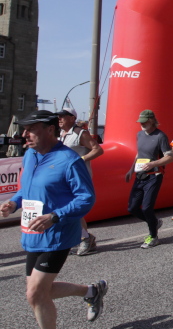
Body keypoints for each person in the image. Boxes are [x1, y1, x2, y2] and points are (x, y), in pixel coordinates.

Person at [0, 110, 107, 328]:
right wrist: (14, 203)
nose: (25, 134)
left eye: (31, 129)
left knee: (35, 293)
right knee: (39, 291)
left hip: (57, 234)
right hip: (33, 233)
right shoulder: (30, 155)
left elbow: (86, 198)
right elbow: (26, 189)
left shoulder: (69, 160)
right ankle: (92, 291)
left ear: (50, 130)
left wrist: (55, 216)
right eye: (24, 130)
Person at [57, 107, 104, 256]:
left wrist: (80, 160)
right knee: (68, 208)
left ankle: (85, 238)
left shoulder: (80, 133)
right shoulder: (60, 134)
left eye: (63, 116)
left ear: (72, 118)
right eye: (59, 116)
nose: (59, 119)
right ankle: (84, 238)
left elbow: (98, 149)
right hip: (64, 177)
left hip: (78, 177)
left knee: (72, 208)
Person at [125, 110, 173, 248]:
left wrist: (153, 164)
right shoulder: (139, 135)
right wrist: (131, 169)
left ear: (152, 120)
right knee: (132, 208)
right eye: (140, 121)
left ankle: (153, 237)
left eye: (144, 121)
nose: (141, 124)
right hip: (140, 175)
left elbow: (170, 157)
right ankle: (154, 222)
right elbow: (139, 154)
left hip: (154, 175)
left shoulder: (160, 136)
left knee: (147, 208)